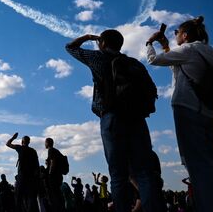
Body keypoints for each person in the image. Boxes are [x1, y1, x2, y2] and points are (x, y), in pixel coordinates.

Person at [146, 16, 213, 211]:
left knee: (197, 166)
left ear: (186, 35)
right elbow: (180, 68)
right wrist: (167, 48)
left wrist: (149, 43)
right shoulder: (210, 53)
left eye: (177, 33)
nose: (175, 36)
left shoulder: (188, 50)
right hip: (210, 114)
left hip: (187, 109)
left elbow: (153, 59)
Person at [65, 30, 165, 212]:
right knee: (145, 173)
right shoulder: (134, 63)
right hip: (137, 119)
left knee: (118, 175)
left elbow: (70, 47)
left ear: (102, 43)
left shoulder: (98, 58)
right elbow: (152, 90)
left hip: (112, 117)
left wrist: (88, 38)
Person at [6, 133, 39, 212]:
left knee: (18, 197)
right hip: (31, 178)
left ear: (22, 141)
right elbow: (37, 165)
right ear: (29, 142)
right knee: (30, 198)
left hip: (22, 176)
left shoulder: (20, 148)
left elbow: (8, 144)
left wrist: (13, 138)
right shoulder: (33, 151)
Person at [45, 138, 66, 212]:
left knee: (54, 195)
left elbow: (53, 161)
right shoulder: (56, 151)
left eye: (45, 142)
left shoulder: (51, 150)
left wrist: (50, 173)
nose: (45, 144)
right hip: (58, 175)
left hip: (54, 176)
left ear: (47, 143)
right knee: (57, 193)